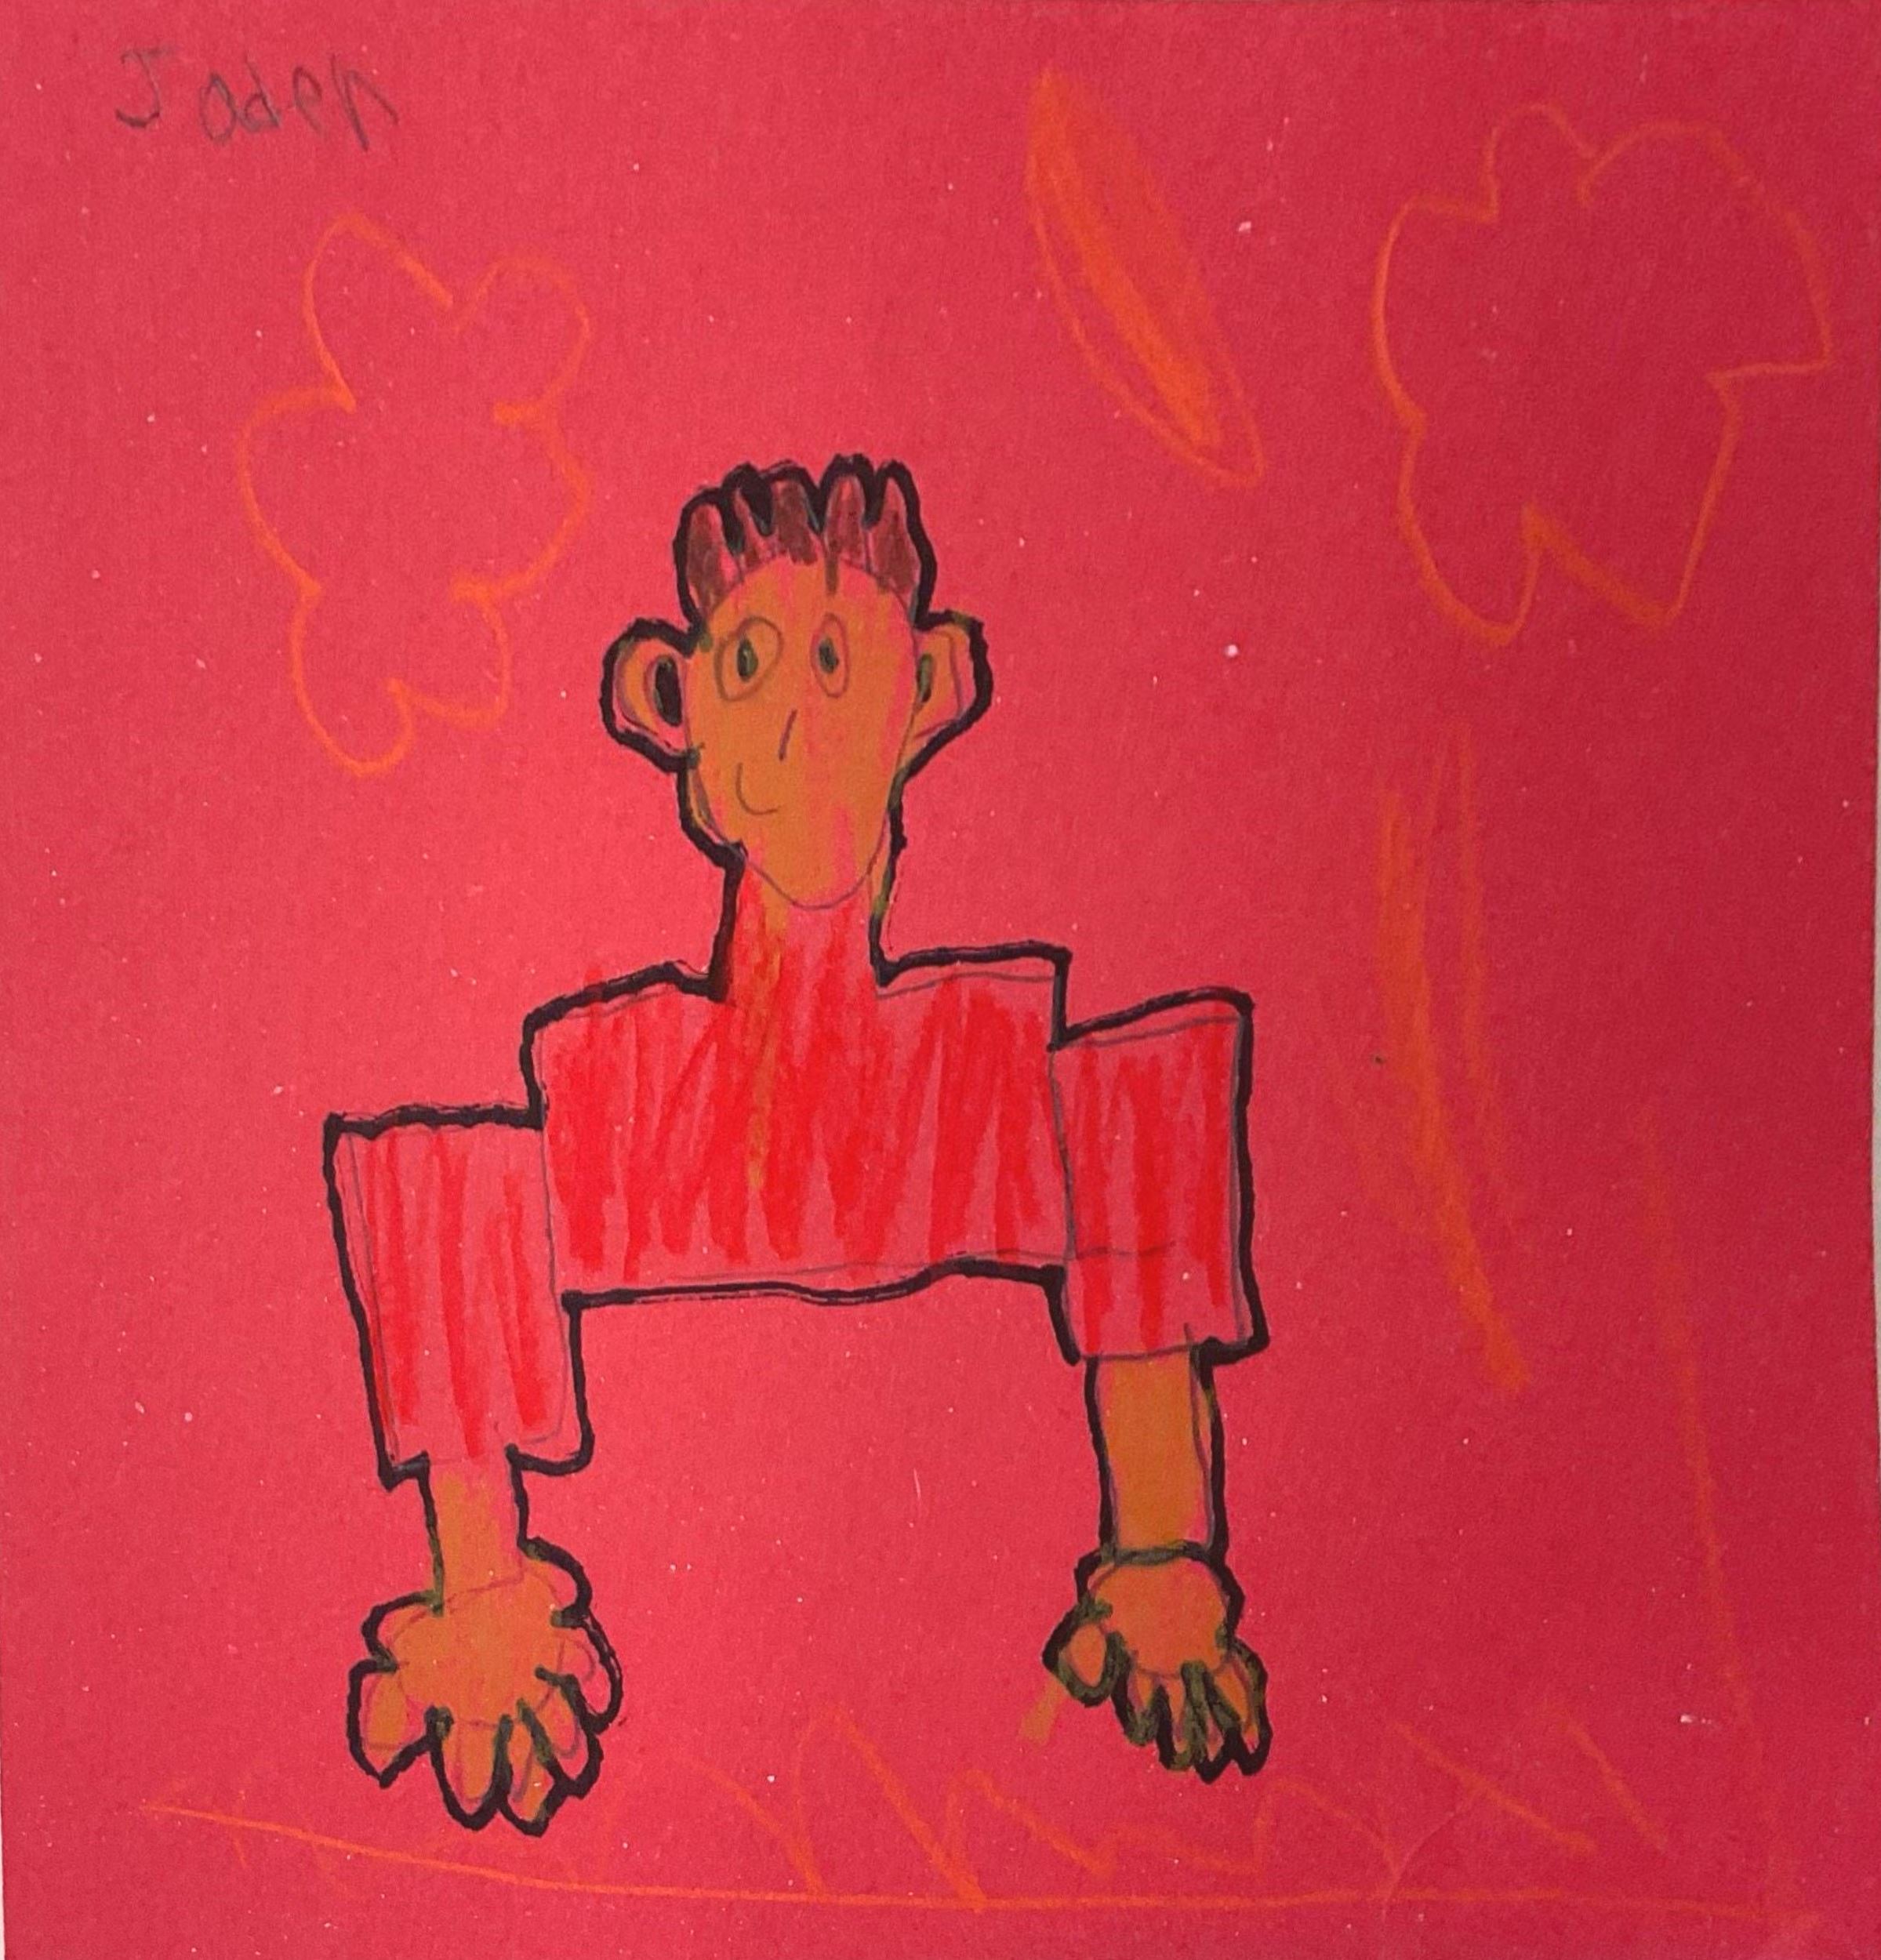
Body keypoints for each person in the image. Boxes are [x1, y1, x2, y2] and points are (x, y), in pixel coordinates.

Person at [325, 457, 1272, 1834]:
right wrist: (480, 1591)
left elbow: (1142, 1170)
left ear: (929, 690)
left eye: (835, 663)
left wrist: (1164, 1550)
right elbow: (454, 1206)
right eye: (750, 667)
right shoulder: (621, 1082)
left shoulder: (987, 1066)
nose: (797, 723)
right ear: (671, 706)